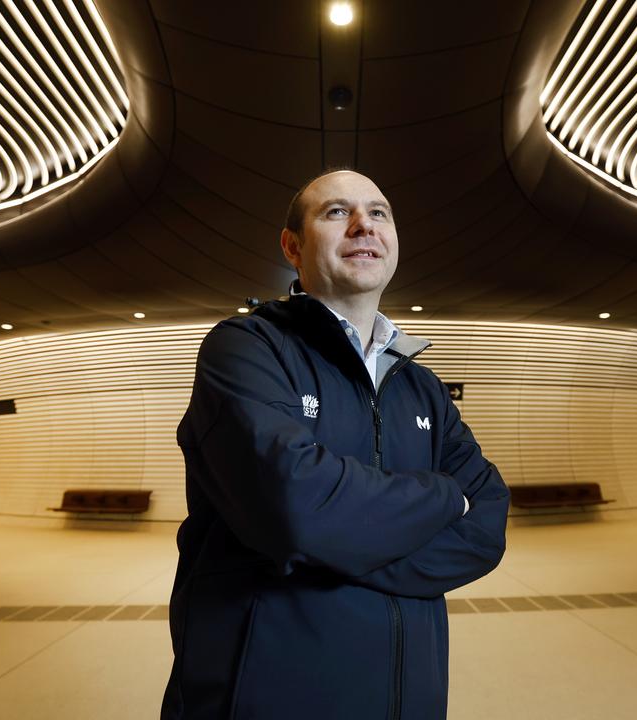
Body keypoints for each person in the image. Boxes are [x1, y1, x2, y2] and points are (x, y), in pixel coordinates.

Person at [161, 169, 509, 719]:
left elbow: (487, 526)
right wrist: (444, 497)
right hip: (264, 700)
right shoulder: (246, 349)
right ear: (292, 247)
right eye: (336, 212)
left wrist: (328, 545)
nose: (363, 226)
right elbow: (293, 509)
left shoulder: (421, 386)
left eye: (379, 213)